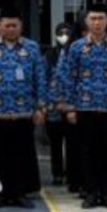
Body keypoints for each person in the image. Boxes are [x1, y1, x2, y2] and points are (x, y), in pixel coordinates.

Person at [55, 4, 107, 210]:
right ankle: (90, 192)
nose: (97, 23)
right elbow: (70, 78)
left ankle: (106, 193)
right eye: (93, 19)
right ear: (86, 22)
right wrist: (70, 107)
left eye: (101, 18)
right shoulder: (77, 47)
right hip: (84, 107)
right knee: (86, 152)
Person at [0, 11, 48, 209]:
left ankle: (20, 193)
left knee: (22, 153)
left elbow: (40, 78)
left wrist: (40, 107)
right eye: (6, 25)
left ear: (21, 26)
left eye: (14, 25)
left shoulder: (32, 48)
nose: (10, 29)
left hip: (24, 111)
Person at [44, 18, 78, 188]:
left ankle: (72, 174)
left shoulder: (74, 51)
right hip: (52, 107)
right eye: (60, 33)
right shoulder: (50, 54)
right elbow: (44, 78)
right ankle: (57, 174)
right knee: (55, 143)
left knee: (72, 143)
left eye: (67, 33)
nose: (64, 36)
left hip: (71, 105)